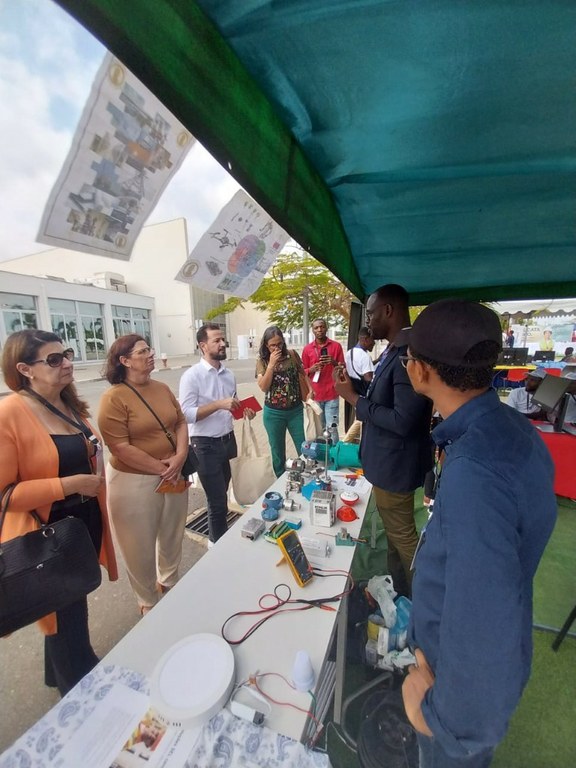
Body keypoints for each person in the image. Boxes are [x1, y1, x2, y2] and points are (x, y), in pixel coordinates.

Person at [399, 299, 557, 768]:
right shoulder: (509, 428)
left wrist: (440, 720)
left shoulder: (475, 472)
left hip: (451, 689)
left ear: (422, 372)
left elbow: (486, 615)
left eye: (410, 358)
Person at [0, 330, 117, 695]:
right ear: (24, 369)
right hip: (47, 537)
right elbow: (4, 494)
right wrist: (68, 486)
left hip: (81, 526)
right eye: (53, 359)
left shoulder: (68, 403)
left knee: (65, 607)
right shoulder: (9, 413)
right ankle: (80, 692)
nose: (67, 362)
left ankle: (58, 672)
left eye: (66, 353)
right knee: (67, 616)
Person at [333, 284, 433, 597]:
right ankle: (399, 593)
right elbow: (387, 400)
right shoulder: (393, 348)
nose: (369, 321)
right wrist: (356, 389)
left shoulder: (407, 353)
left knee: (403, 537)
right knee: (394, 534)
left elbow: (403, 420)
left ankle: (423, 604)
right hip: (388, 463)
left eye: (373, 313)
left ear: (388, 311)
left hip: (396, 466)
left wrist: (352, 398)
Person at [98, 335, 189, 615]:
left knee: (172, 534)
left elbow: (181, 421)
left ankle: (170, 583)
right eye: (143, 351)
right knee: (138, 546)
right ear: (124, 361)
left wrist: (180, 457)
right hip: (134, 482)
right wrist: (164, 468)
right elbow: (120, 447)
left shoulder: (161, 388)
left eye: (149, 348)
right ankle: (148, 602)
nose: (150, 354)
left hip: (174, 473)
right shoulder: (114, 398)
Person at [179, 323, 255, 543]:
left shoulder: (228, 374)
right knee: (217, 501)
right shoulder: (192, 376)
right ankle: (216, 546)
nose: (223, 344)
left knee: (224, 492)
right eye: (216, 341)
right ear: (203, 346)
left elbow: (231, 407)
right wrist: (218, 404)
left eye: (223, 339)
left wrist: (244, 411)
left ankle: (220, 542)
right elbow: (186, 415)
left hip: (228, 442)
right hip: (205, 446)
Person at [256, 326, 312, 476]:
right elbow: (263, 386)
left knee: (304, 446)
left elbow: (303, 373)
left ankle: (306, 474)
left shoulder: (292, 355)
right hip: (273, 414)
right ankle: (281, 481)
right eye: (272, 345)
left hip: (295, 411)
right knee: (278, 453)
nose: (277, 348)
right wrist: (271, 365)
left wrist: (311, 390)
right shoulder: (262, 361)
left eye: (279, 343)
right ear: (266, 346)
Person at [301, 318, 345, 441]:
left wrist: (334, 362)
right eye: (316, 328)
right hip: (315, 396)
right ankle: (321, 456)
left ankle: (334, 456)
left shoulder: (336, 346)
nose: (319, 330)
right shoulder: (307, 349)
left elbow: (343, 368)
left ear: (326, 328)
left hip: (332, 394)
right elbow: (302, 372)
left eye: (322, 327)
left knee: (332, 428)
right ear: (312, 330)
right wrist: (311, 369)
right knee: (319, 429)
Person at [342, 326, 375, 443]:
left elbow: (356, 369)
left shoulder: (349, 353)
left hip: (354, 390)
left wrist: (375, 361)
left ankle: (346, 442)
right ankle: (349, 443)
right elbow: (368, 378)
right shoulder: (365, 356)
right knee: (363, 420)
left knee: (360, 419)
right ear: (365, 339)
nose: (374, 343)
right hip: (364, 393)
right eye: (373, 340)